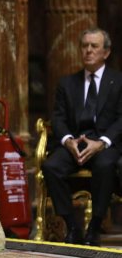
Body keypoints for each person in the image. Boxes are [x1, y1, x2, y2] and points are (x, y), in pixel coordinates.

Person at [42, 28, 122, 246]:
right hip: (75, 143)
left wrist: (102, 143)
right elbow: (57, 118)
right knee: (51, 167)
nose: (88, 50)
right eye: (84, 46)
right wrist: (68, 140)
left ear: (105, 52)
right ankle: (73, 226)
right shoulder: (67, 83)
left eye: (94, 46)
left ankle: (94, 227)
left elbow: (121, 120)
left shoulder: (118, 81)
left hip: (104, 144)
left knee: (106, 166)